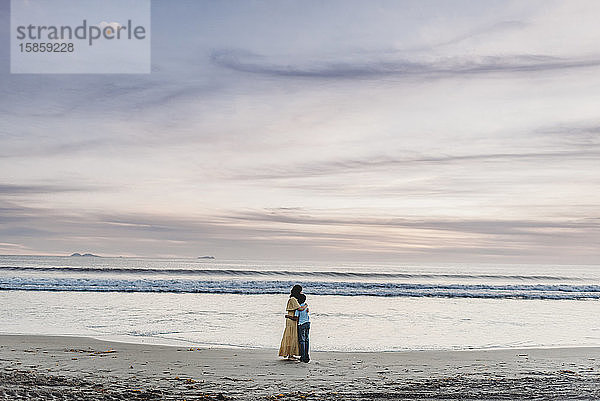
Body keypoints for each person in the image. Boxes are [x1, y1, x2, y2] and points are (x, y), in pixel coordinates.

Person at [278, 284, 307, 359]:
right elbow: (300, 308)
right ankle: (290, 354)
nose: (301, 292)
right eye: (301, 291)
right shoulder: (293, 299)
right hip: (291, 319)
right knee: (291, 336)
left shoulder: (293, 299)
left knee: (292, 336)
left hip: (292, 319)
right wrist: (306, 306)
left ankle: (291, 354)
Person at [295, 293, 310, 363]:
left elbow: (296, 317)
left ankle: (303, 356)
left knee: (302, 341)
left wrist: (288, 316)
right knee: (307, 340)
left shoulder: (298, 308)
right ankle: (307, 355)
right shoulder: (306, 307)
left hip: (301, 324)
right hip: (307, 323)